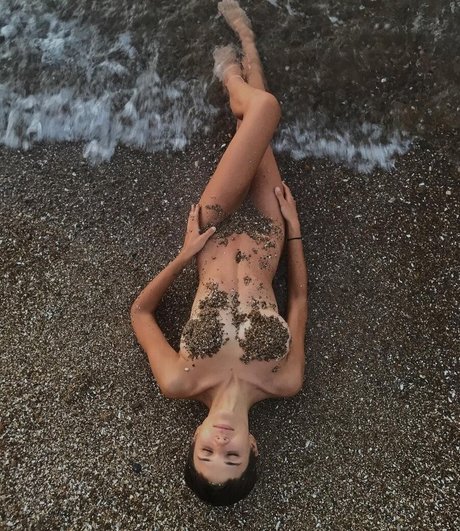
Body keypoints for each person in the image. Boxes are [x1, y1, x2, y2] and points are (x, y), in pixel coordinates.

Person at [130, 0, 307, 505]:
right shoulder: (284, 381)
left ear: (195, 439)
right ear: (253, 448)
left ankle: (230, 72)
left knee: (264, 111)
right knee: (258, 123)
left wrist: (184, 256)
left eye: (207, 453)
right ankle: (242, 45)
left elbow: (140, 313)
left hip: (213, 228)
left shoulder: (178, 380)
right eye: (233, 458)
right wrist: (295, 232)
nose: (221, 445)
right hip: (269, 232)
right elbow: (297, 301)